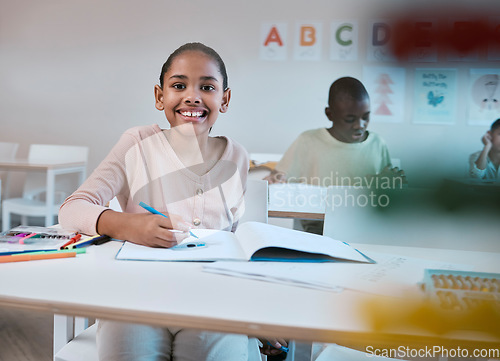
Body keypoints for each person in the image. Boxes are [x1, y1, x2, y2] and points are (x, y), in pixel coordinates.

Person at [59, 42, 285, 361]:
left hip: (212, 299)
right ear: (159, 96)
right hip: (136, 297)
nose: (192, 96)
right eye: (179, 85)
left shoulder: (237, 156)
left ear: (225, 98)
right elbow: (72, 209)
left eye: (207, 87)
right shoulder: (137, 143)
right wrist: (125, 225)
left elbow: (236, 242)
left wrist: (255, 309)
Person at [265, 76, 405, 235]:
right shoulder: (308, 141)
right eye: (350, 119)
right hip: (318, 227)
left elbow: (387, 194)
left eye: (365, 117)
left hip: (363, 226)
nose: (360, 125)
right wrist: (275, 181)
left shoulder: (377, 144)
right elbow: (277, 180)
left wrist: (391, 184)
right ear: (329, 114)